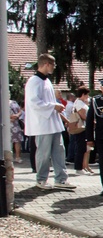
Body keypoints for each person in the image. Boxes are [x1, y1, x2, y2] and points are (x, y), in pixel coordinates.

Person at [24, 54, 76, 191]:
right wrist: (53, 106)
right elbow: (33, 102)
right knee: (43, 152)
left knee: (59, 151)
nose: (54, 67)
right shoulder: (34, 81)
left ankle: (61, 179)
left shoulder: (46, 81)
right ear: (47, 64)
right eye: (53, 65)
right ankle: (41, 179)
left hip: (53, 122)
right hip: (42, 123)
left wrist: (55, 107)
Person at [71, 87, 93, 175]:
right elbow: (83, 116)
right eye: (87, 95)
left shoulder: (81, 103)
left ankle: (82, 167)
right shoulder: (79, 103)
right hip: (81, 127)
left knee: (83, 148)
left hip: (83, 127)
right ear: (83, 94)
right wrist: (92, 122)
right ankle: (78, 168)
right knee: (81, 147)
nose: (88, 96)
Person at [9, 98, 24, 163]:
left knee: (17, 141)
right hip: (5, 123)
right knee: (7, 141)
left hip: (15, 124)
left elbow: (20, 111)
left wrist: (17, 115)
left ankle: (18, 157)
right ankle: (8, 157)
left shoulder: (14, 102)